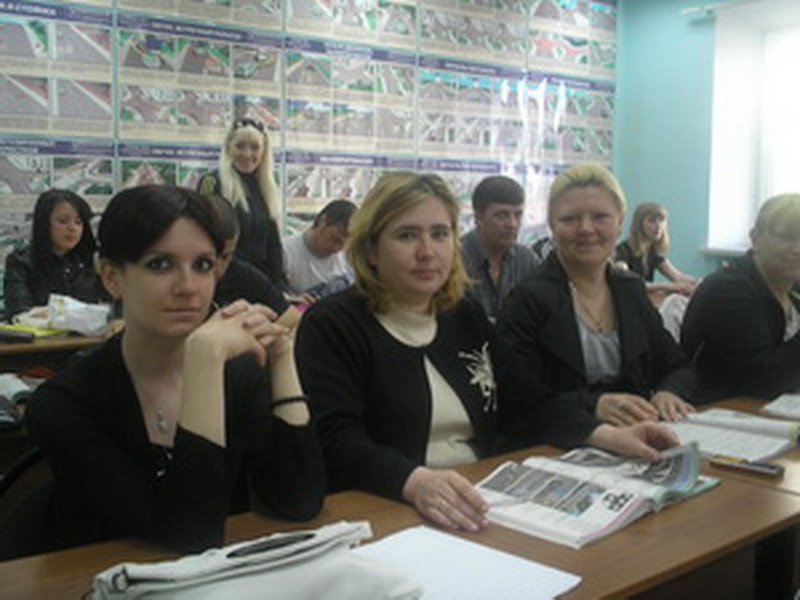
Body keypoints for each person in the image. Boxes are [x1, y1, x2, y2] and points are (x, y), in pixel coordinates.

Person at [295, 171, 677, 534]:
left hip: (479, 497)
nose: (427, 252)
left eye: (440, 234)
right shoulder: (333, 323)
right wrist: (415, 482)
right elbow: (336, 440)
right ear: (371, 250)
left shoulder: (463, 314)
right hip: (388, 504)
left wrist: (605, 435)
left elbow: (527, 401)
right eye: (407, 235)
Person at [0, 185, 325, 559]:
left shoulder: (240, 377)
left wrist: (282, 356)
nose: (188, 287)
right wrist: (204, 362)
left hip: (215, 579)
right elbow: (190, 531)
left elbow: (298, 501)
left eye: (202, 265)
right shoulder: (64, 403)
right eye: (159, 265)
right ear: (112, 277)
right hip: (93, 575)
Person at [499, 164, 696, 426]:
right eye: (570, 219)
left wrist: (669, 392)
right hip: (566, 440)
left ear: (620, 222)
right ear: (552, 226)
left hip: (639, 435)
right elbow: (517, 399)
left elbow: (678, 367)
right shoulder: (527, 300)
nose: (586, 229)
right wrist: (593, 406)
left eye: (600, 217)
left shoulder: (631, 291)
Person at [682, 193, 800, 401]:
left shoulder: (792, 286)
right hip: (716, 409)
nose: (797, 249)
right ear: (755, 238)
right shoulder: (728, 290)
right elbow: (763, 381)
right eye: (786, 237)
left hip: (772, 407)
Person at [198, 118, 286, 289]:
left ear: (264, 152)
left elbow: (273, 243)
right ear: (228, 148)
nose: (247, 154)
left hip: (262, 281)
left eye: (255, 147)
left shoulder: (267, 187)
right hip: (225, 282)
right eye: (240, 146)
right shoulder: (211, 182)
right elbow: (205, 239)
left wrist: (279, 286)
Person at [3, 189, 103, 321]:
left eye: (78, 222)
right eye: (63, 221)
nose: (72, 228)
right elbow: (19, 311)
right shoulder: (21, 261)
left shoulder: (90, 261)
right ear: (44, 223)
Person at [208, 194, 301, 330]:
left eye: (225, 256)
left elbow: (292, 319)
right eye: (203, 261)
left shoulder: (240, 274)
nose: (217, 268)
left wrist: (255, 333)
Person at [460, 175, 540, 322]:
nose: (512, 224)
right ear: (478, 216)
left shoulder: (527, 260)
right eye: (502, 215)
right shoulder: (455, 258)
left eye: (518, 215)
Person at [615, 202, 698, 301]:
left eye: (661, 220)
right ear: (639, 224)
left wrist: (700, 282)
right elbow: (629, 283)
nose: (658, 226)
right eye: (651, 221)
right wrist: (669, 286)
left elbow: (678, 277)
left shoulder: (653, 252)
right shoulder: (623, 250)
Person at [283, 199, 357, 300]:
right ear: (322, 221)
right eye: (335, 239)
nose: (337, 249)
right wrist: (292, 299)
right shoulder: (286, 251)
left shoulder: (348, 257)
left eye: (344, 245)